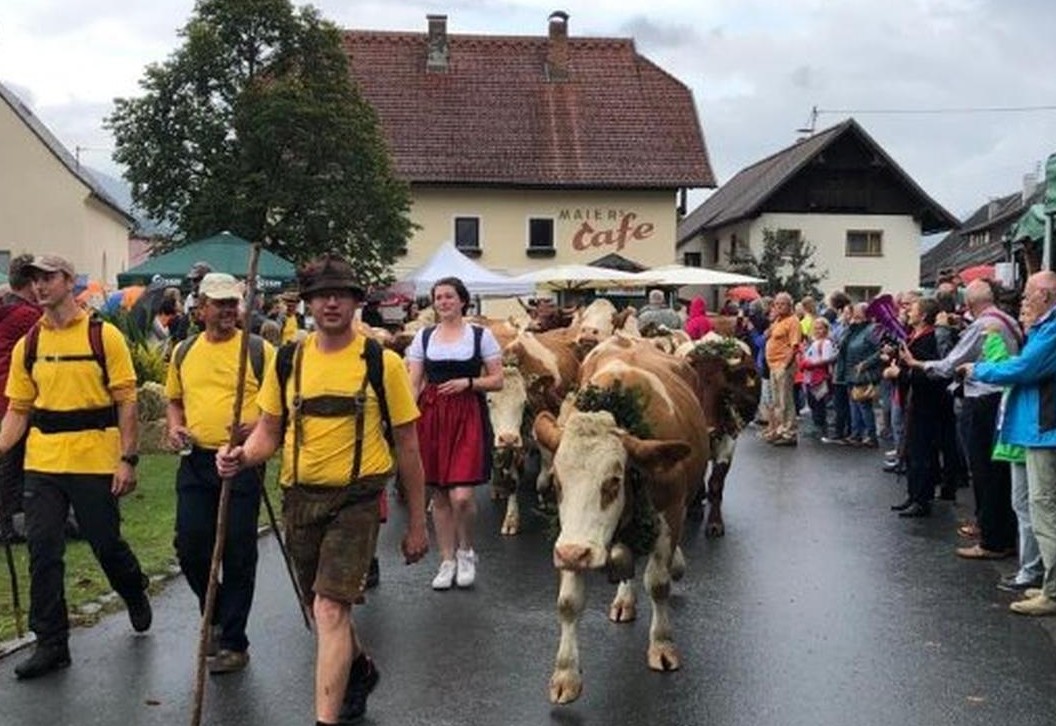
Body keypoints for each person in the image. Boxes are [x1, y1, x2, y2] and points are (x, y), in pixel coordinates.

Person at [217, 254, 428, 724]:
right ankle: (361, 667)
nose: (331, 303)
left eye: (341, 294)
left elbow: (409, 447)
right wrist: (242, 455)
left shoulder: (382, 362)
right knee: (322, 610)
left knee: (331, 608)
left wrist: (417, 523)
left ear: (356, 302)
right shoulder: (288, 360)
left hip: (356, 500)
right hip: (299, 500)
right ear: (309, 303)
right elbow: (268, 432)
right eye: (321, 296)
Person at [0, 254, 152, 680]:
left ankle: (133, 588)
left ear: (69, 281)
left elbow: (126, 400)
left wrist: (128, 458)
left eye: (49, 277)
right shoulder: (30, 343)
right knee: (43, 549)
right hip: (43, 460)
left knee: (105, 544)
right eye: (35, 280)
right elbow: (18, 409)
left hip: (95, 458)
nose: (40, 286)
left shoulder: (104, 337)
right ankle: (51, 643)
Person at [166, 273, 274, 673]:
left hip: (242, 461)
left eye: (233, 303)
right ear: (201, 308)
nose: (228, 310)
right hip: (196, 460)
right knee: (191, 545)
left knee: (238, 550)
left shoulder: (259, 350)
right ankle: (214, 613)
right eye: (220, 303)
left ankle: (233, 641)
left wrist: (258, 425)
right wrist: (175, 426)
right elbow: (174, 401)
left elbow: (277, 407)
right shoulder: (184, 351)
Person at [902, 279, 1021, 559]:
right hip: (1003, 398)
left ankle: (993, 539)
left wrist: (917, 364)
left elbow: (950, 362)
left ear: (968, 304)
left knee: (985, 470)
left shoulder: (983, 325)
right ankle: (996, 530)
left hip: (984, 400)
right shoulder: (1008, 320)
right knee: (998, 472)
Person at [961, 271, 1056, 615]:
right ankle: (1046, 583)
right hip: (1033, 429)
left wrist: (979, 370)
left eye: (1029, 295)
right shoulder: (1043, 328)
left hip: (1045, 430)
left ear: (1045, 296)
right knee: (1033, 508)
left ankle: (1052, 591)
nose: (1023, 301)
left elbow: (1023, 369)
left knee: (1044, 512)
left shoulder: (1052, 330)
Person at [406, 276, 503, 590]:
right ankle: (446, 560)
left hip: (467, 414)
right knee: (439, 494)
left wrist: (469, 383)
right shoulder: (423, 337)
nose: (443, 302)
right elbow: (414, 382)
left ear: (463, 301)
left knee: (461, 495)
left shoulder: (480, 336)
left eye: (449, 297)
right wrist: (407, 417)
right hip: (432, 415)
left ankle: (466, 550)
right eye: (438, 297)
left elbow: (498, 379)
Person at [887, 298, 944, 517]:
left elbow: (927, 375)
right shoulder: (915, 336)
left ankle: (922, 499)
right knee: (912, 452)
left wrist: (899, 373)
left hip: (924, 404)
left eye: (913, 309)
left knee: (921, 453)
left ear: (922, 316)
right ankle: (913, 495)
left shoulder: (928, 339)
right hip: (912, 401)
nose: (908, 312)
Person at [0, 254, 42, 542]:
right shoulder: (29, 317)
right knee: (12, 466)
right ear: (30, 282)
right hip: (13, 399)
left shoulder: (5, 311)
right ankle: (6, 524)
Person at [838, 303, 883, 447]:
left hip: (862, 372)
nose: (854, 315)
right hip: (850, 371)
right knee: (853, 404)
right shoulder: (854, 329)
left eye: (858, 312)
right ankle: (856, 434)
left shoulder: (872, 329)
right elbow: (842, 344)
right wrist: (850, 326)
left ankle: (871, 436)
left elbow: (881, 350)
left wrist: (866, 363)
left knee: (864, 405)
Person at [763, 292, 801, 446]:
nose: (778, 306)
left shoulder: (793, 321)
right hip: (773, 365)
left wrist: (786, 365)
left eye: (782, 304)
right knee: (777, 402)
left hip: (783, 365)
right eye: (776, 304)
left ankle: (789, 433)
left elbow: (794, 346)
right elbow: (768, 336)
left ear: (789, 305)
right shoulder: (778, 320)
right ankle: (780, 429)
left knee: (785, 401)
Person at [799, 317, 835, 439]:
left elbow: (827, 359)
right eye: (816, 328)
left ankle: (820, 427)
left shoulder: (827, 343)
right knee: (812, 402)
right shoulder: (814, 342)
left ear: (826, 329)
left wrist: (811, 364)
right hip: (810, 376)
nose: (817, 331)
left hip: (819, 376)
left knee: (819, 403)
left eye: (820, 328)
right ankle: (816, 425)